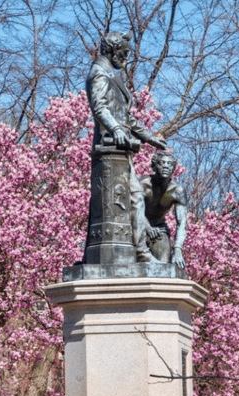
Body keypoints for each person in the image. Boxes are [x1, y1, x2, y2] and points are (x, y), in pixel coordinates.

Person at [84, 31, 167, 263]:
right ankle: (135, 251)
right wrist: (116, 130)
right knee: (124, 201)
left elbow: (126, 117)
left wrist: (149, 137)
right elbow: (99, 108)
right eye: (124, 52)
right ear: (112, 50)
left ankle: (140, 251)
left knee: (136, 198)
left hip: (121, 152)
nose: (126, 58)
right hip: (109, 152)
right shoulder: (99, 73)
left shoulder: (111, 75)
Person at [139, 151, 187, 267]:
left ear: (173, 169)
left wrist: (177, 249)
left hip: (159, 229)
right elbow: (134, 209)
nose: (166, 166)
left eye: (170, 164)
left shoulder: (177, 191)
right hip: (137, 226)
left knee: (164, 265)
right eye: (162, 163)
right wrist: (147, 227)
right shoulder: (143, 184)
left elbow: (182, 223)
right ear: (154, 166)